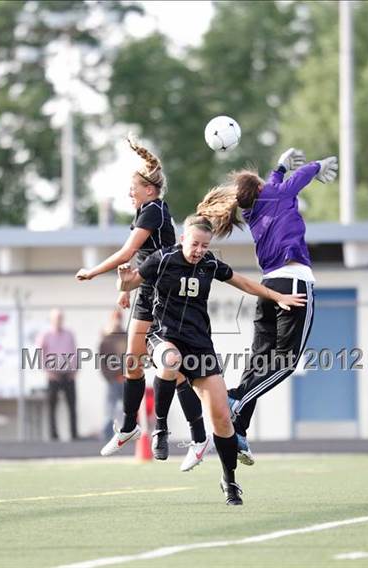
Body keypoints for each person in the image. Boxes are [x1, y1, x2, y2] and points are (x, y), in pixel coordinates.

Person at [116, 214, 307, 505]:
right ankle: (161, 429)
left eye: (205, 245)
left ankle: (230, 481)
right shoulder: (162, 259)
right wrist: (123, 279)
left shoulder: (209, 264)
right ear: (183, 240)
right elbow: (130, 284)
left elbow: (242, 282)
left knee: (221, 417)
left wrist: (274, 295)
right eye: (195, 244)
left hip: (199, 346)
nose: (199, 250)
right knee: (169, 360)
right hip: (163, 336)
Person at [76, 137, 213, 471]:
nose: (130, 192)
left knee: (172, 368)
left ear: (150, 190)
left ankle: (191, 433)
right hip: (145, 288)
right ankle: (131, 426)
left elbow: (126, 253)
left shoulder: (153, 210)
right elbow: (138, 260)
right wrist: (125, 288)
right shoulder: (146, 210)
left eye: (134, 187)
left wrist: (93, 271)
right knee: (135, 363)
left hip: (160, 293)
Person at [197, 148, 338, 464]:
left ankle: (239, 431)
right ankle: (235, 398)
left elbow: (272, 185)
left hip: (268, 288)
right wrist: (318, 164)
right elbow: (299, 178)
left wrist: (278, 167)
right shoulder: (273, 194)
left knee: (260, 362)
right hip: (294, 284)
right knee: (286, 362)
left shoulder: (251, 210)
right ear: (259, 187)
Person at [37, 309, 78, 440]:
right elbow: (40, 354)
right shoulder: (45, 335)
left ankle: (74, 434)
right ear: (52, 320)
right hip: (53, 375)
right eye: (56, 318)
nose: (58, 320)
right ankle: (53, 435)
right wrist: (47, 371)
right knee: (52, 407)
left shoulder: (69, 334)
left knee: (72, 405)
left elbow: (74, 352)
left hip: (68, 374)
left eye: (60, 318)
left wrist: (75, 370)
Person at [99, 309, 128, 440]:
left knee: (126, 408)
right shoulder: (106, 339)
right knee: (110, 409)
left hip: (126, 378)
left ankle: (126, 432)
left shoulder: (125, 336)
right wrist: (110, 377)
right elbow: (102, 362)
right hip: (113, 380)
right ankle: (107, 435)